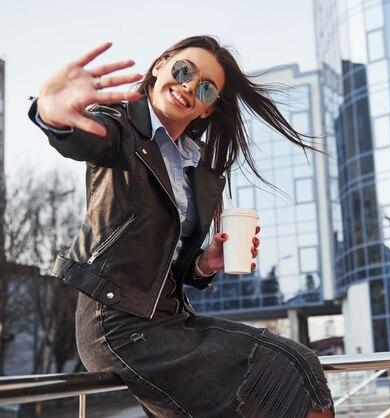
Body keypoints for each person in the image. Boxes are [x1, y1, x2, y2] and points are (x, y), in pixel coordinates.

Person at [29, 36, 334, 418]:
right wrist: (52, 112)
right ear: (160, 66)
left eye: (206, 88)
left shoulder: (196, 168)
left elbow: (165, 259)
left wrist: (203, 264)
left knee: (293, 374)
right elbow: (84, 138)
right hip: (117, 324)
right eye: (184, 70)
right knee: (291, 369)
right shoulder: (123, 129)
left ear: (208, 110)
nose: (189, 85)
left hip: (172, 320)